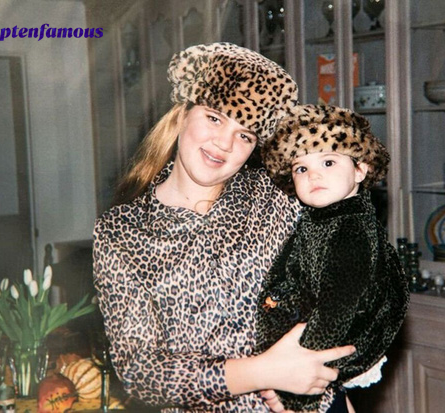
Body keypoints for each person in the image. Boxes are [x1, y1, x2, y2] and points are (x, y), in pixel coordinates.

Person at [93, 43, 356, 413]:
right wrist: (264, 372)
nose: (225, 143)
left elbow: (352, 271)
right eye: (215, 118)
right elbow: (141, 373)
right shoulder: (121, 232)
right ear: (182, 114)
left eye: (245, 134)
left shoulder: (279, 197)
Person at [256, 104, 410, 412]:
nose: (313, 174)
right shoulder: (318, 221)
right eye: (301, 168)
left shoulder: (351, 231)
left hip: (313, 374)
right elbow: (287, 273)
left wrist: (294, 386)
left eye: (328, 162)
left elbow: (336, 311)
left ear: (360, 170)